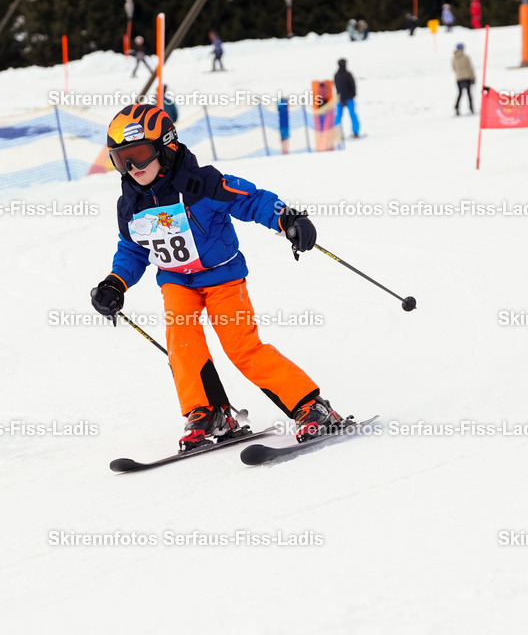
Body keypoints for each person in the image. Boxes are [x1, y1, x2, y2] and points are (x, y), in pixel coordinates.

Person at [90, 104, 343, 451]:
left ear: (166, 146)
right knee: (182, 346)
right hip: (177, 282)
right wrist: (114, 283)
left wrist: (287, 219)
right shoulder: (131, 204)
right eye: (121, 160)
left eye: (140, 154)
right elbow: (132, 249)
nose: (133, 167)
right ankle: (208, 412)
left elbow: (251, 200)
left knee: (242, 347)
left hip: (222, 278)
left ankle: (310, 406)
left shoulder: (202, 184)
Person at [333, 58, 361, 138]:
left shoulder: (336, 75)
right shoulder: (348, 74)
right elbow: (353, 86)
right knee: (353, 115)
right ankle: (356, 132)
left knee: (338, 116)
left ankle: (337, 133)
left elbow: (337, 87)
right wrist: (353, 95)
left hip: (340, 99)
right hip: (349, 98)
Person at [452, 43, 476, 116]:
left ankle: (456, 107)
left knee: (460, 93)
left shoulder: (454, 58)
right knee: (469, 94)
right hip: (467, 78)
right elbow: (470, 68)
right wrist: (473, 77)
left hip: (459, 78)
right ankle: (471, 108)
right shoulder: (466, 57)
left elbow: (454, 69)